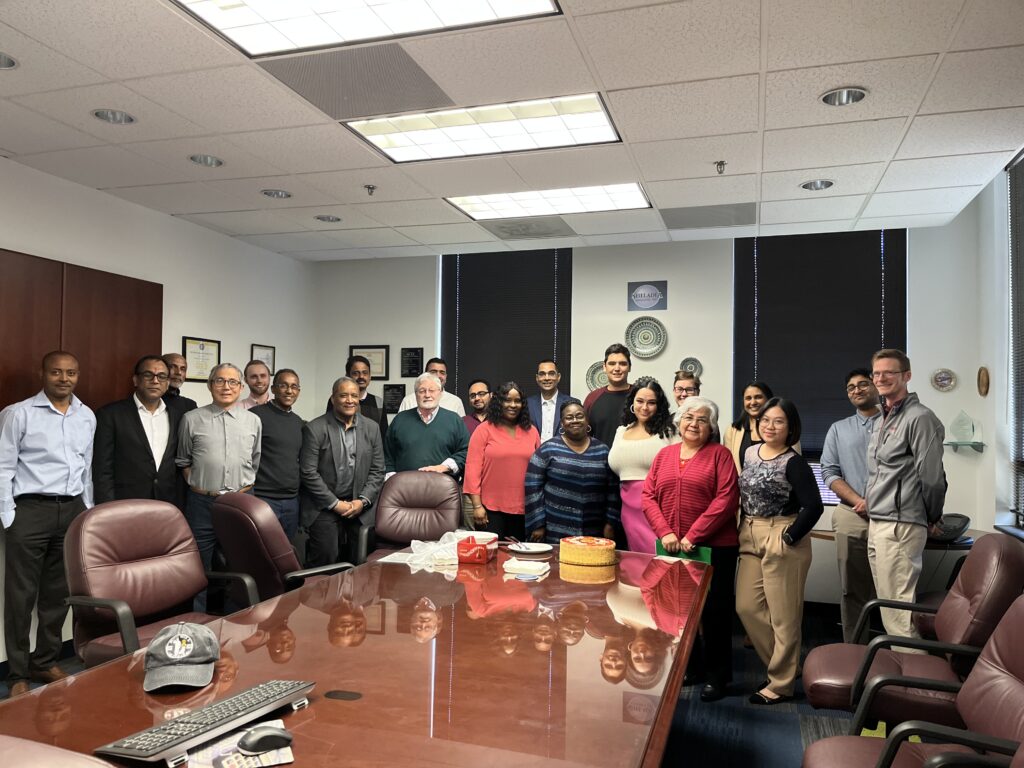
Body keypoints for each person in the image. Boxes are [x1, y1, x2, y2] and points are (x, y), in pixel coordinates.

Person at [0, 351, 95, 698]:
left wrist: (87, 510)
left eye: (70, 373)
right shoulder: (18, 414)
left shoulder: (87, 416)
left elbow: (86, 469)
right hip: (30, 511)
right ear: (42, 374)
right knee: (20, 596)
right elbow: (3, 467)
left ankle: (46, 660)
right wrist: (9, 515)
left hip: (70, 511)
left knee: (58, 595)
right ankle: (16, 673)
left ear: (78, 375)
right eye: (56, 372)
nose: (64, 378)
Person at [642, 396, 739, 702]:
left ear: (711, 427)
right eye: (688, 418)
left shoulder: (720, 456)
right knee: (678, 610)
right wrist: (666, 531)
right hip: (672, 547)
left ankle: (717, 676)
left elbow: (726, 500)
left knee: (714, 613)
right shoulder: (664, 455)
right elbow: (648, 496)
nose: (694, 424)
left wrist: (694, 535)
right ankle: (690, 667)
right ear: (678, 422)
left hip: (714, 548)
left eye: (702, 420)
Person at [736, 397, 823, 705]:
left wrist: (788, 537)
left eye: (778, 421)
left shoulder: (794, 462)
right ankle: (786, 667)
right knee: (746, 607)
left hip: (782, 534)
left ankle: (780, 685)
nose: (770, 426)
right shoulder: (748, 452)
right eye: (765, 420)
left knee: (784, 617)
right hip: (749, 533)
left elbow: (814, 505)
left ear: (791, 427)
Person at [865, 349, 946, 640]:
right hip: (879, 522)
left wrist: (932, 516)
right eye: (876, 373)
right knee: (890, 610)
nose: (881, 378)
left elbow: (933, 477)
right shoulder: (881, 419)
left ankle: (915, 681)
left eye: (889, 372)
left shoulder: (920, 418)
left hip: (901, 524)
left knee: (898, 614)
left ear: (907, 376)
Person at [176, 363, 262, 582]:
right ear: (209, 385)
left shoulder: (253, 421)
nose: (226, 386)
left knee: (240, 561)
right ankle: (198, 614)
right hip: (202, 503)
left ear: (241, 387)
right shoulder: (191, 419)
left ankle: (237, 615)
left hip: (241, 501)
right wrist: (200, 484)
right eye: (220, 380)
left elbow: (255, 460)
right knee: (197, 565)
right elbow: (183, 460)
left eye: (233, 382)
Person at [821, 367, 881, 643]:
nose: (857, 390)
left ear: (876, 386)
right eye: (851, 387)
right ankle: (854, 652)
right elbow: (830, 472)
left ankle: (901, 652)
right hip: (852, 514)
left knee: (893, 589)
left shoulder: (896, 423)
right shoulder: (839, 429)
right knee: (852, 589)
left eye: (863, 384)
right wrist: (859, 501)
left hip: (893, 516)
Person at [300, 377, 385, 567]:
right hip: (324, 506)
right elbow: (308, 473)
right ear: (333, 398)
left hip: (359, 505)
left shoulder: (371, 428)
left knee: (361, 562)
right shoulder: (315, 429)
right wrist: (335, 504)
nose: (349, 400)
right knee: (325, 561)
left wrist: (362, 501)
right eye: (343, 395)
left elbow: (378, 470)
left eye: (354, 395)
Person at [93, 355, 183, 507]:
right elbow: (102, 470)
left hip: (167, 504)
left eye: (161, 376)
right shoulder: (110, 415)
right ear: (136, 380)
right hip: (125, 503)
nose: (155, 381)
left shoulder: (178, 415)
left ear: (167, 383)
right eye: (148, 375)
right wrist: (107, 507)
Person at [525, 400, 619, 545]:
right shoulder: (547, 449)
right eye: (569, 417)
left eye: (579, 416)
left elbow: (613, 490)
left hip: (594, 531)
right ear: (562, 423)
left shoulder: (602, 450)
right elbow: (532, 487)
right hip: (554, 530)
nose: (575, 420)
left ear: (587, 420)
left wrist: (610, 523)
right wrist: (538, 524)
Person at [608, 377, 678, 553]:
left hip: (658, 509)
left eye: (651, 402)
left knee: (660, 562)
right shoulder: (621, 431)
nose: (644, 407)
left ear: (659, 405)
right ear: (632, 402)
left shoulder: (669, 431)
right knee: (635, 563)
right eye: (640, 401)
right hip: (627, 509)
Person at [464, 382, 540, 540]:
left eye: (517, 401)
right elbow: (472, 470)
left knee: (519, 558)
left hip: (524, 509)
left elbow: (538, 472)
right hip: (490, 509)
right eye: (507, 400)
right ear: (498, 402)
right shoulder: (484, 429)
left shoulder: (532, 431)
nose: (513, 405)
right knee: (491, 559)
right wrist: (477, 506)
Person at [251, 368, 305, 540]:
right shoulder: (255, 416)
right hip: (264, 499)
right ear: (273, 389)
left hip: (291, 501)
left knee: (286, 553)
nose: (289, 391)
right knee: (262, 552)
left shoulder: (299, 423)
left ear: (298, 391)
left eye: (294, 386)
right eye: (283, 386)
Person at [384, 373, 470, 478]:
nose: (427, 395)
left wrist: (444, 467)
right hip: (405, 488)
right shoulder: (400, 420)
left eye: (432, 390)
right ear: (416, 394)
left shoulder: (454, 420)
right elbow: (387, 454)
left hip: (443, 488)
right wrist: (393, 480)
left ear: (440, 393)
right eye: (422, 391)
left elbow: (466, 451)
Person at [322, 355, 389, 439]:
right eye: (355, 373)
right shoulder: (338, 400)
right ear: (347, 376)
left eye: (365, 373)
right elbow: (329, 429)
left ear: (370, 376)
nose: (361, 377)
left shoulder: (378, 402)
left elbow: (383, 436)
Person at [583, 343, 632, 448]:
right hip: (600, 462)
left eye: (622, 364)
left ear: (629, 367)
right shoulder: (592, 398)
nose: (617, 368)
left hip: (633, 462)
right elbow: (584, 436)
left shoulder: (640, 397)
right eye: (612, 363)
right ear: (604, 367)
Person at [460, 378, 491, 529]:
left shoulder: (501, 422)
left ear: (491, 395)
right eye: (473, 395)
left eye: (481, 393)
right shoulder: (462, 422)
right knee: (472, 534)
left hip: (494, 487)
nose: (477, 398)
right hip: (470, 490)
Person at [397, 357, 465, 416]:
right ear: (425, 374)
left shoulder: (456, 402)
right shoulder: (409, 401)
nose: (438, 376)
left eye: (442, 372)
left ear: (446, 377)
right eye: (433, 372)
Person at [526, 359, 572, 442]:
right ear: (537, 378)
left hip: (562, 453)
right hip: (534, 453)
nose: (546, 378)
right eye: (542, 374)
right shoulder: (527, 404)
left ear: (558, 377)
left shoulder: (571, 404)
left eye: (551, 374)